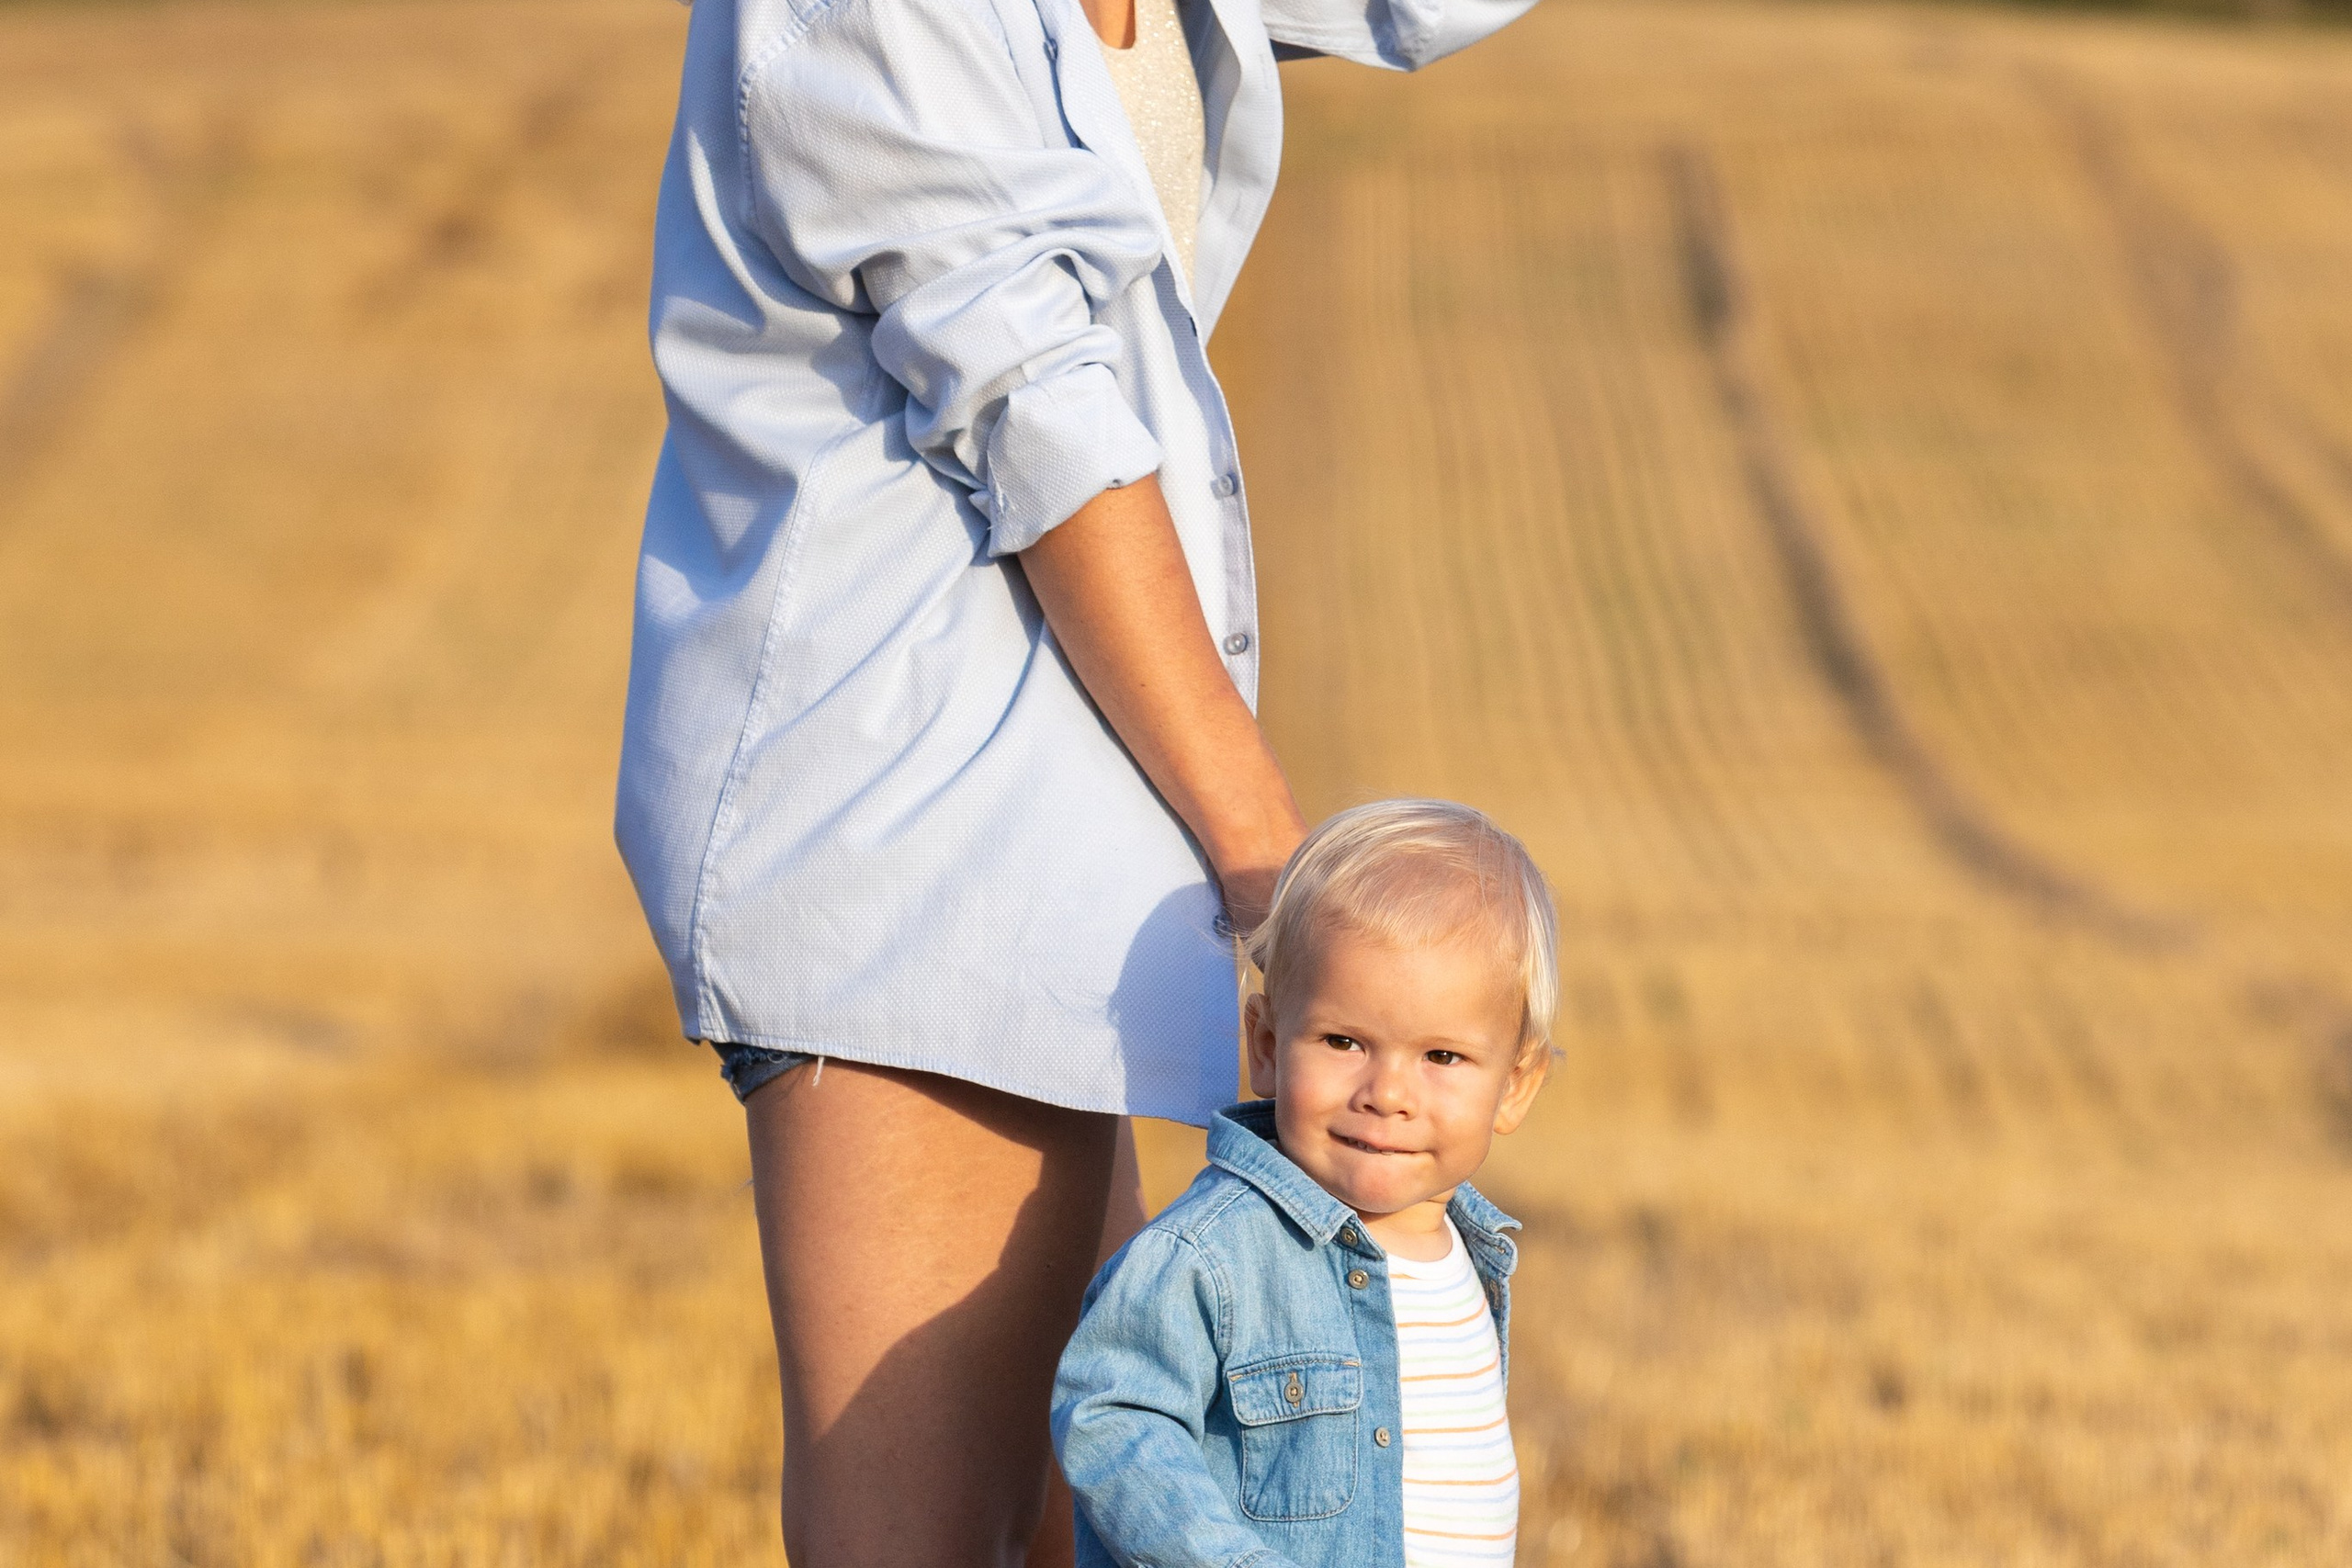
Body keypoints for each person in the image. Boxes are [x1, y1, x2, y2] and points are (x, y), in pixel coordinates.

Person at [612, 0, 1540, 1555]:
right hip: (905, 828)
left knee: (1085, 1528)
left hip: (1060, 836)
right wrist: (1268, 855)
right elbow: (1033, 409)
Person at [1052, 799, 1555, 1567]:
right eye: (1344, 1040)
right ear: (1264, 1043)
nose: (1387, 1091)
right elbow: (1111, 1411)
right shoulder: (1218, 1251)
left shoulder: (1470, 1255)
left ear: (1515, 1086)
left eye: (1441, 1057)